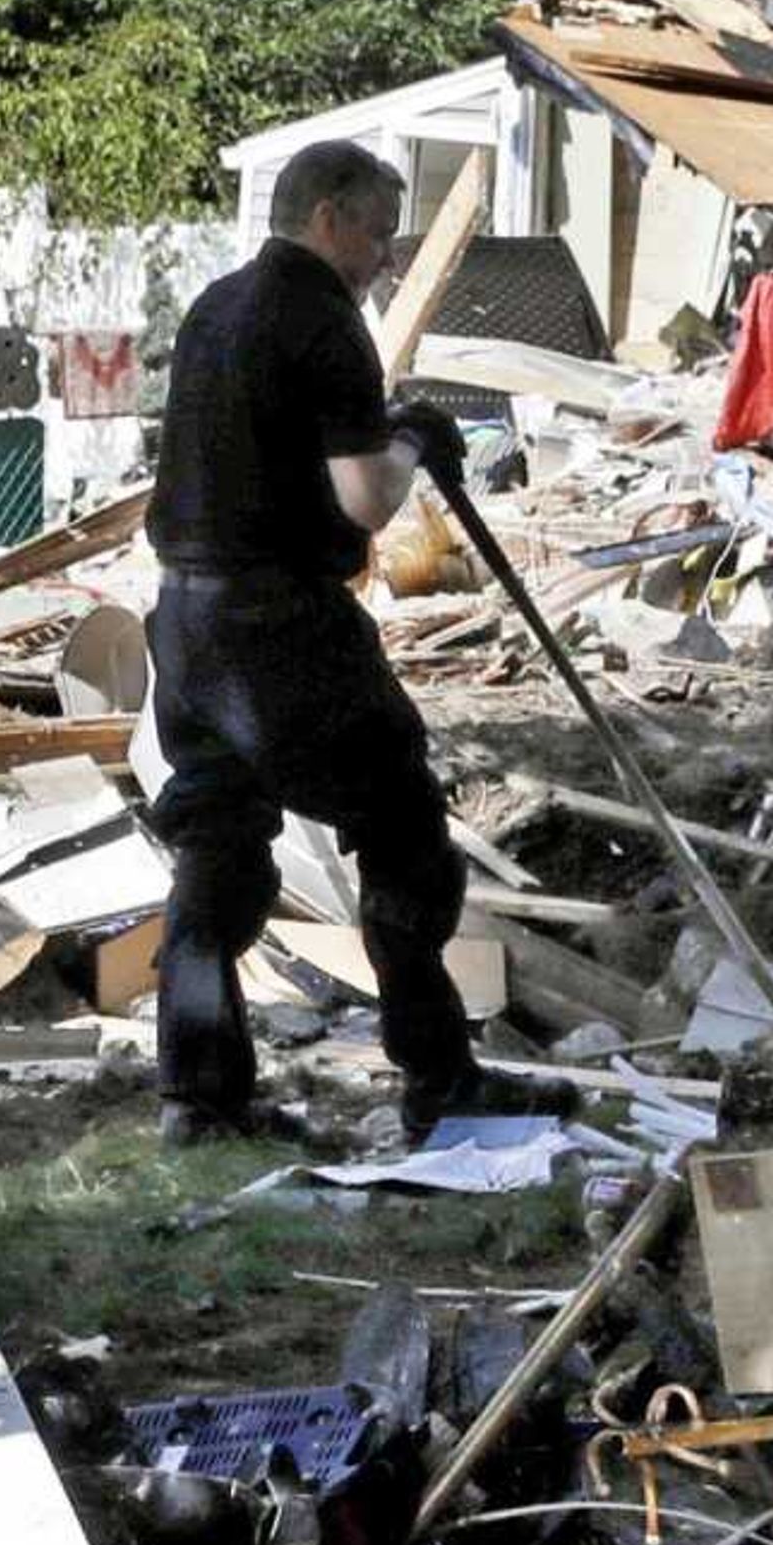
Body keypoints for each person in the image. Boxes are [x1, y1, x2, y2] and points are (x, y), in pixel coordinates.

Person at [142, 138, 529, 1142]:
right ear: (328, 216)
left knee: (216, 854)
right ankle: (439, 1079)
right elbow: (364, 501)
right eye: (377, 232)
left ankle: (200, 1097)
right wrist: (410, 439)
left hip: (185, 622)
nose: (385, 258)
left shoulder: (213, 307)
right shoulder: (320, 315)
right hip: (278, 623)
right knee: (401, 825)